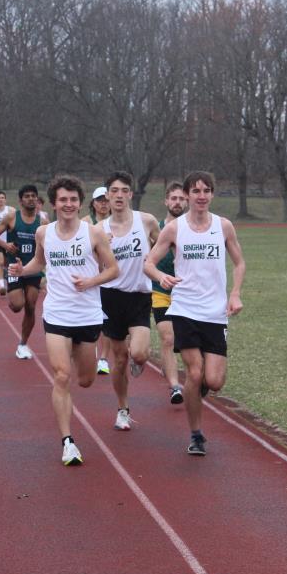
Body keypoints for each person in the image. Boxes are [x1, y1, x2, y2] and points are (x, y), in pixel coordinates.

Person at [10, 175, 118, 465]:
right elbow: (39, 262)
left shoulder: (93, 233)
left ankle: (84, 359)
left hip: (87, 314)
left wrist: (91, 281)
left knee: (85, 380)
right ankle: (68, 442)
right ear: (54, 203)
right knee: (61, 375)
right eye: (63, 200)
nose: (68, 204)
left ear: (80, 203)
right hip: (57, 313)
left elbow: (113, 269)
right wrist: (23, 270)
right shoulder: (43, 233)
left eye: (73, 199)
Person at [145, 171, 245, 456]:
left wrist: (235, 293)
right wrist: (160, 276)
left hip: (215, 312)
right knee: (194, 371)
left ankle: (196, 389)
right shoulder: (174, 228)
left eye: (206, 191)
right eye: (196, 191)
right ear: (188, 194)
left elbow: (239, 263)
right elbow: (148, 263)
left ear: (212, 194)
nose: (201, 196)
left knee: (213, 381)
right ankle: (196, 435)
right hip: (185, 309)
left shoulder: (223, 226)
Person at [98, 171, 160, 431]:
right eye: (114, 191)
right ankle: (122, 409)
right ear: (107, 195)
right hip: (111, 297)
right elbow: (93, 266)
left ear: (131, 194)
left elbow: (163, 246)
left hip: (139, 296)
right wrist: (101, 250)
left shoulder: (146, 221)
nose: (119, 195)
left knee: (139, 353)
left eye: (124, 190)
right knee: (120, 359)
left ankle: (139, 359)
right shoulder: (98, 230)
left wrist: (154, 261)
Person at [0, 184, 44, 360]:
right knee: (17, 306)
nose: (31, 199)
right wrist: (6, 246)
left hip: (33, 269)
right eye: (27, 196)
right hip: (14, 267)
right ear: (21, 200)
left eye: (33, 196)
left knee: (31, 306)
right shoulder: (12, 217)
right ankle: (13, 299)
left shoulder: (43, 222)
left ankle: (23, 344)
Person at [151, 182, 188, 404]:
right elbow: (146, 260)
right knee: (168, 338)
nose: (177, 202)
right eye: (173, 198)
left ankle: (191, 377)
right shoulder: (156, 228)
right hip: (161, 291)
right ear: (166, 201)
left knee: (187, 342)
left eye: (181, 199)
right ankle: (175, 386)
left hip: (188, 293)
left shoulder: (193, 229)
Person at [83, 186, 112, 375]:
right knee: (91, 319)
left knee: (107, 322)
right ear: (93, 203)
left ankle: (103, 359)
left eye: (106, 200)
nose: (103, 204)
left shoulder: (116, 222)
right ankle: (89, 350)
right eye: (100, 200)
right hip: (91, 278)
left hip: (110, 278)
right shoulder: (85, 223)